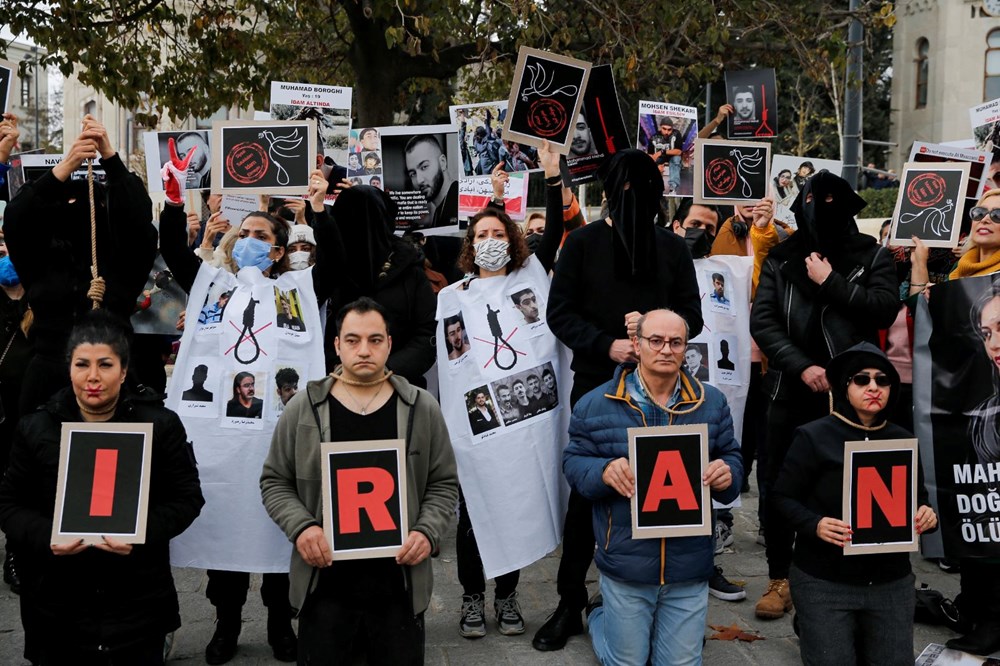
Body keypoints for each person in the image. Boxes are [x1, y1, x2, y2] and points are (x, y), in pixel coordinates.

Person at [538, 148, 703, 651]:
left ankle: (656, 592)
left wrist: (657, 332)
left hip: (666, 391)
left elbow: (692, 316)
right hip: (598, 386)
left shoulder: (671, 250)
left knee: (665, 487)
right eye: (624, 190)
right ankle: (571, 598)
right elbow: (559, 312)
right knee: (591, 487)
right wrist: (604, 343)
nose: (633, 199)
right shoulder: (583, 244)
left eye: (642, 190)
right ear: (610, 193)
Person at [261, 297, 458, 665]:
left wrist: (427, 531)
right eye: (352, 340)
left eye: (375, 340)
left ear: (389, 344)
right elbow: (275, 481)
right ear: (336, 345)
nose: (363, 350)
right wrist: (302, 528)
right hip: (325, 588)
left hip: (398, 587)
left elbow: (443, 483)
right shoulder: (304, 407)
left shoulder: (420, 407)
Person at [0, 311, 204, 665]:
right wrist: (47, 535)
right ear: (69, 369)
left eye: (105, 364)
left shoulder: (160, 424)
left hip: (137, 601)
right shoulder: (36, 427)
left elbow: (187, 498)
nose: (93, 377)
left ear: (123, 370)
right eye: (82, 364)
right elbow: (9, 504)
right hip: (55, 603)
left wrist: (141, 533)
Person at [750, 171, 899, 620]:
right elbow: (764, 321)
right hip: (789, 389)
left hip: (852, 394)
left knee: (843, 484)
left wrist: (831, 280)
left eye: (833, 200)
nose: (822, 208)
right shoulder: (781, 258)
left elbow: (883, 307)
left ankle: (838, 578)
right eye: (815, 200)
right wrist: (803, 365)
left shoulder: (872, 256)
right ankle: (780, 578)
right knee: (778, 482)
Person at [437, 140, 568, 642]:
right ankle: (472, 596)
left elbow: (553, 232)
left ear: (511, 238)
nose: (490, 238)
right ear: (469, 243)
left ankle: (507, 594)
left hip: (528, 422)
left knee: (515, 506)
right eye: (481, 232)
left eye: (498, 231)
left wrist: (551, 178)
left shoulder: (531, 274)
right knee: (475, 514)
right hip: (481, 428)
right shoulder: (453, 296)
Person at [563, 308, 742, 666]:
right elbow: (573, 463)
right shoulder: (596, 404)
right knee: (627, 661)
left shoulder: (712, 402)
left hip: (689, 563)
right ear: (637, 344)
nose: (665, 349)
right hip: (627, 560)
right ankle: (599, 616)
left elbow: (731, 456)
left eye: (676, 342)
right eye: (656, 340)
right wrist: (603, 470)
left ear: (686, 347)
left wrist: (728, 473)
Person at [772, 343, 937, 665]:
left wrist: (926, 514)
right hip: (824, 580)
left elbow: (919, 498)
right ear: (845, 387)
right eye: (862, 379)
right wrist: (814, 524)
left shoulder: (902, 439)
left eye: (882, 380)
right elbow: (780, 498)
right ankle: (813, 623)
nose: (873, 387)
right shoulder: (812, 436)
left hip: (891, 582)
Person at [3, 114, 157, 412]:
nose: (78, 212)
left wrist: (110, 157)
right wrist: (68, 165)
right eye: (68, 205)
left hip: (114, 382)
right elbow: (17, 218)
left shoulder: (123, 261)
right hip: (48, 382)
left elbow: (139, 218)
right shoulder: (40, 260)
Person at [312, 185, 437, 385]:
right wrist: (340, 370)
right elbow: (311, 326)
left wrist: (384, 371)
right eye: (350, 217)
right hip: (338, 387)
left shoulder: (410, 272)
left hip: (398, 388)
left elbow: (427, 333)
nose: (360, 227)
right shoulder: (332, 271)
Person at [404, 134, 458, 228]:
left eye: (424, 167)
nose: (419, 180)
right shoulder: (439, 212)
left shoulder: (460, 201)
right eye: (413, 174)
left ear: (442, 163)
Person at [644, 118, 683, 194]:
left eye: (669, 130)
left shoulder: (677, 134)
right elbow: (650, 154)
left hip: (672, 156)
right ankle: (654, 186)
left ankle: (673, 187)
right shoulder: (654, 137)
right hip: (660, 158)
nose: (666, 132)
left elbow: (679, 152)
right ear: (660, 127)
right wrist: (654, 164)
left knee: (676, 159)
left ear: (672, 129)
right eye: (664, 129)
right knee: (650, 162)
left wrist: (662, 152)